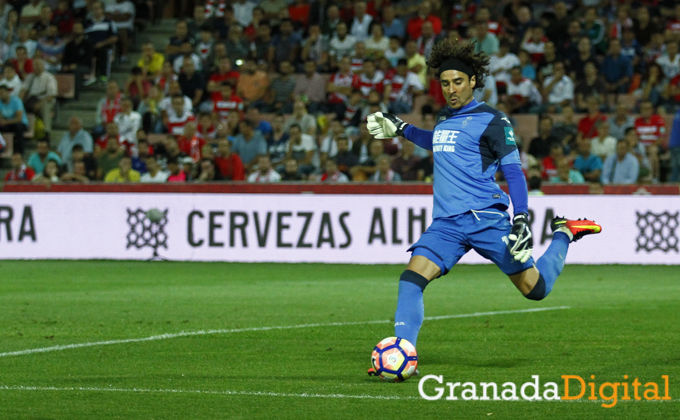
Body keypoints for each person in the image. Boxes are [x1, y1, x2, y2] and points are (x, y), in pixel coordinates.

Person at [365, 38, 601, 362]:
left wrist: (521, 219)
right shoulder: (444, 119)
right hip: (447, 224)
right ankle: (403, 354)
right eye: (446, 83)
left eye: (458, 82)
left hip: (485, 218)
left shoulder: (493, 119)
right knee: (411, 279)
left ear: (473, 81)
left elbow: (514, 173)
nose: (452, 89)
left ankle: (564, 232)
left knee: (536, 289)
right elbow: (437, 141)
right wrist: (403, 129)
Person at [0, 82, 27, 154]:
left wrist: (5, 122)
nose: (0, 95)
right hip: (8, 124)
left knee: (18, 127)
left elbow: (19, 118)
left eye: (2, 93)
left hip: (20, 124)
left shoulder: (17, 101)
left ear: (8, 92)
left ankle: (20, 152)